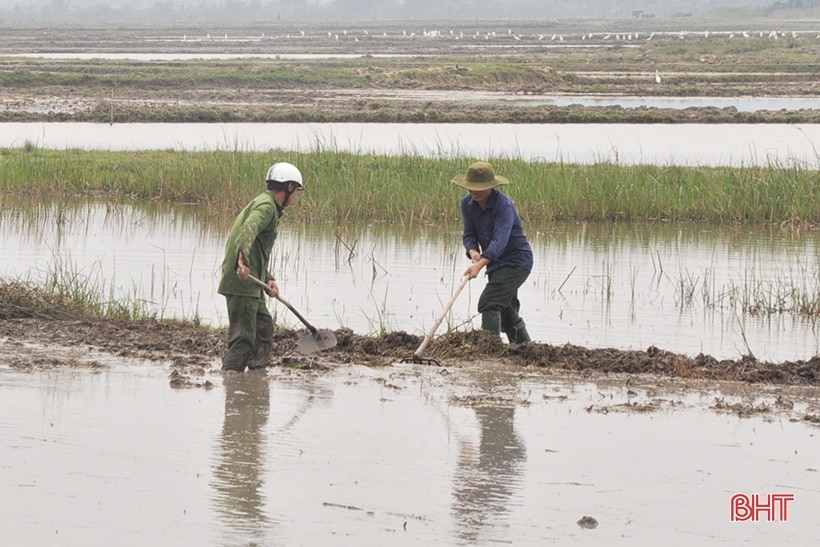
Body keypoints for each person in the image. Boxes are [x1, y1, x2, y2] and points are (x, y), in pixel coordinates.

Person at [217, 162, 304, 372]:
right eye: (296, 191)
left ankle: (256, 379)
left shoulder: (268, 205)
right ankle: (230, 379)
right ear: (289, 188)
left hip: (252, 282)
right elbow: (249, 229)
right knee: (244, 339)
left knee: (264, 329)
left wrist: (268, 277)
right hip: (242, 281)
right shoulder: (266, 207)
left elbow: (257, 248)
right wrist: (242, 261)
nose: (295, 198)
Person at [452, 161, 533, 343]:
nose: (474, 192)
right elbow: (469, 234)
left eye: (480, 188)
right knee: (507, 312)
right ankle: (525, 350)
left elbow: (500, 241)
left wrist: (479, 265)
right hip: (495, 264)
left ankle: (489, 351)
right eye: (471, 188)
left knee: (489, 302)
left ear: (491, 186)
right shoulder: (467, 204)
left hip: (516, 262)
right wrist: (473, 252)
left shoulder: (504, 205)